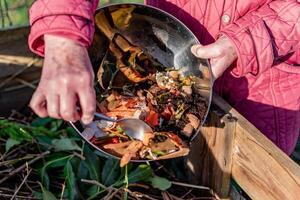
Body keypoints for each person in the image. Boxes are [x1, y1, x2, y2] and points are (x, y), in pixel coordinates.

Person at [28, 0, 300, 155]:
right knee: (175, 160)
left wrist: (251, 40)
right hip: (167, 51)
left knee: (251, 175)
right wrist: (64, 38)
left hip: (267, 84)